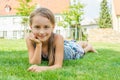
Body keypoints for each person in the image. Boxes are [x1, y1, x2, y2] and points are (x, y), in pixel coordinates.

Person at [26, 7, 97, 72]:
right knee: (73, 43)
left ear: (53, 27)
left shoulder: (58, 38)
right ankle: (81, 43)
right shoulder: (30, 40)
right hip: (63, 44)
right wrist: (38, 45)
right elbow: (34, 62)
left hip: (70, 50)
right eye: (37, 27)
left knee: (79, 50)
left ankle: (88, 47)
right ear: (31, 27)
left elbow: (58, 66)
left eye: (46, 27)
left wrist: (42, 68)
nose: (41, 32)